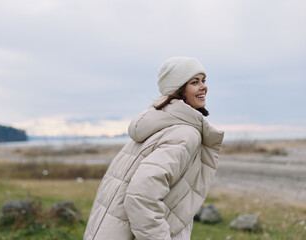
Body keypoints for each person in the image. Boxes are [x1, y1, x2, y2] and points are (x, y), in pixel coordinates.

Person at [84, 57, 224, 240]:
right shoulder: (184, 134)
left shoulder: (159, 126)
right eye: (194, 82)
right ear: (179, 89)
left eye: (203, 81)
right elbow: (142, 196)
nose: (203, 87)